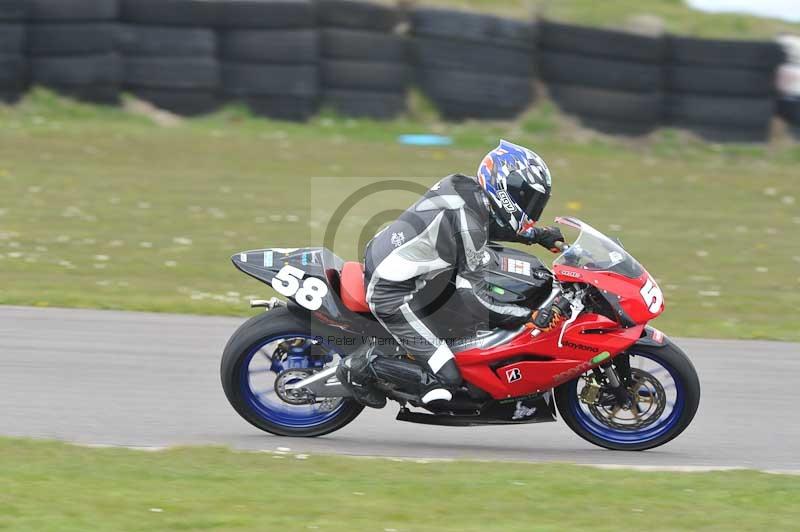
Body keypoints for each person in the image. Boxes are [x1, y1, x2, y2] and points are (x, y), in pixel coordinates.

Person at [336, 140, 569, 408]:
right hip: (392, 292)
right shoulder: (469, 226)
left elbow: (490, 224)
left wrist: (536, 235)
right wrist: (529, 317)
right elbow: (476, 299)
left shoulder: (466, 188)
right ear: (506, 191)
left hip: (400, 265)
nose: (532, 207)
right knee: (447, 377)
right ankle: (360, 367)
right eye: (529, 198)